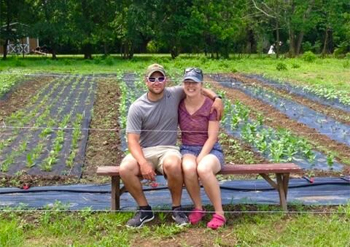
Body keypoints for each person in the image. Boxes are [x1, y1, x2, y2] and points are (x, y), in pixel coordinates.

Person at [119, 64, 224, 228]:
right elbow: (132, 141)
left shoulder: (174, 94)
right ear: (146, 81)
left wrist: (218, 99)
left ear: (165, 80)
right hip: (145, 150)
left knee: (174, 164)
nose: (157, 82)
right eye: (152, 79)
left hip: (168, 149)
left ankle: (177, 208)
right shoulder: (137, 107)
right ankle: (145, 209)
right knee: (125, 169)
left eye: (160, 78)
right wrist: (143, 162)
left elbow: (198, 88)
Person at [179, 67, 226, 230]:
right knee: (188, 168)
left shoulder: (211, 106)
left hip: (211, 149)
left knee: (204, 168)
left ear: (202, 85)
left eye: (195, 83)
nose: (190, 86)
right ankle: (198, 208)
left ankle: (219, 213)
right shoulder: (179, 102)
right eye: (187, 82)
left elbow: (212, 137)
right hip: (187, 148)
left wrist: (217, 97)